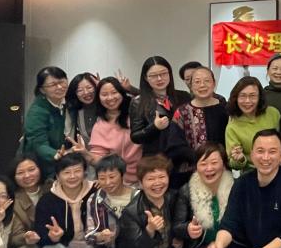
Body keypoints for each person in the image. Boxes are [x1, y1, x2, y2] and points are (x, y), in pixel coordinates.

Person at [173, 143, 235, 248]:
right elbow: (177, 226)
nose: (209, 168)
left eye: (214, 163)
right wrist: (187, 229)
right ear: (196, 167)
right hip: (199, 245)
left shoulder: (235, 187)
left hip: (231, 243)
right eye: (203, 163)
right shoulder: (187, 190)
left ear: (224, 164)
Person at [129, 56, 193, 188]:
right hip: (156, 162)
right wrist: (154, 127)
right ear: (146, 78)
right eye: (153, 76)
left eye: (163, 73)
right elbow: (135, 136)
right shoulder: (138, 102)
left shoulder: (183, 96)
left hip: (182, 160)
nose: (159, 79)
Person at [89, 77, 143, 184]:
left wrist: (130, 88)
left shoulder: (137, 113)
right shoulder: (99, 126)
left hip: (147, 175)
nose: (110, 98)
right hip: (120, 181)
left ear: (122, 93)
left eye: (114, 92)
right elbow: (99, 158)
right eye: (104, 94)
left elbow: (151, 99)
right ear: (98, 98)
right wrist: (85, 153)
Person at [225, 76, 281, 172]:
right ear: (236, 98)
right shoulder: (232, 127)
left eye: (252, 96)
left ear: (260, 97)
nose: (247, 101)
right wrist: (240, 159)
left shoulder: (273, 113)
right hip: (251, 172)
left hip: (276, 168)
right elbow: (233, 163)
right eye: (243, 96)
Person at [23, 66, 71, 177]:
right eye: (52, 85)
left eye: (62, 82)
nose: (59, 87)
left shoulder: (67, 102)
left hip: (63, 162)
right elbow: (38, 143)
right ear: (42, 90)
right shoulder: (37, 112)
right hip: (41, 167)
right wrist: (56, 154)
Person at [174, 66, 228, 150]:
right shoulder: (182, 112)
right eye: (197, 82)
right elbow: (175, 143)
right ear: (191, 86)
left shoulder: (226, 108)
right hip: (191, 158)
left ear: (214, 83)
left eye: (207, 81)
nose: (202, 85)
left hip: (222, 157)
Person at [66, 73, 101, 146]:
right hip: (88, 152)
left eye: (89, 87)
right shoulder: (74, 111)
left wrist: (103, 88)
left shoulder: (107, 106)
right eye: (80, 90)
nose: (86, 92)